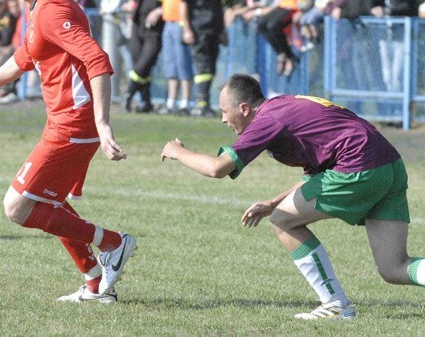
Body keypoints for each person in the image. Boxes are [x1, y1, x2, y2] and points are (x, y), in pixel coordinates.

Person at [0, 0, 137, 303]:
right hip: (62, 121)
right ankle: (95, 282)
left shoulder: (52, 10)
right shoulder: (35, 9)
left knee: (17, 206)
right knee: (47, 200)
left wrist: (102, 123)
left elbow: (97, 59)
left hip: (74, 124)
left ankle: (113, 243)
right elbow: (23, 57)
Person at [161, 73, 425, 320]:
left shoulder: (267, 119)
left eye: (223, 111)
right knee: (393, 267)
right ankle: (336, 304)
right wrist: (274, 202)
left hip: (359, 166)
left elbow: (217, 168)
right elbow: (317, 173)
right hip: (389, 165)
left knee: (282, 221)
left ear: (243, 108)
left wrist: (178, 152)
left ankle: (335, 304)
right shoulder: (283, 108)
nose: (222, 120)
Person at [365, 0, 417, 101]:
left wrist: (388, 10)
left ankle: (401, 110)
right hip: (383, 35)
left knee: (398, 74)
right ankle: (391, 108)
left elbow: (409, 5)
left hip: (400, 34)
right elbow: (368, 7)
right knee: (387, 74)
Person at [123, 0, 171, 113]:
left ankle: (128, 94)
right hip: (138, 25)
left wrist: (159, 11)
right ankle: (146, 102)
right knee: (139, 63)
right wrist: (132, 1)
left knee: (144, 63)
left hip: (156, 29)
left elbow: (175, 1)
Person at [181, 0, 226, 117]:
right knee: (203, 67)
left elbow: (220, 9)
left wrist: (223, 31)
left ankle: (203, 103)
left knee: (211, 68)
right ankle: (202, 104)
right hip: (198, 31)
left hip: (214, 32)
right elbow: (183, 5)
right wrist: (186, 28)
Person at [160, 0, 198, 115]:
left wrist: (188, 26)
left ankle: (186, 102)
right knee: (171, 65)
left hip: (182, 24)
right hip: (169, 23)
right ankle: (171, 101)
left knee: (184, 64)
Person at [100, 0, 130, 100]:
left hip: (124, 27)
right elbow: (105, 2)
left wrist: (107, 9)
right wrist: (106, 8)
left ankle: (129, 90)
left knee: (127, 58)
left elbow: (116, 5)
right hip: (115, 27)